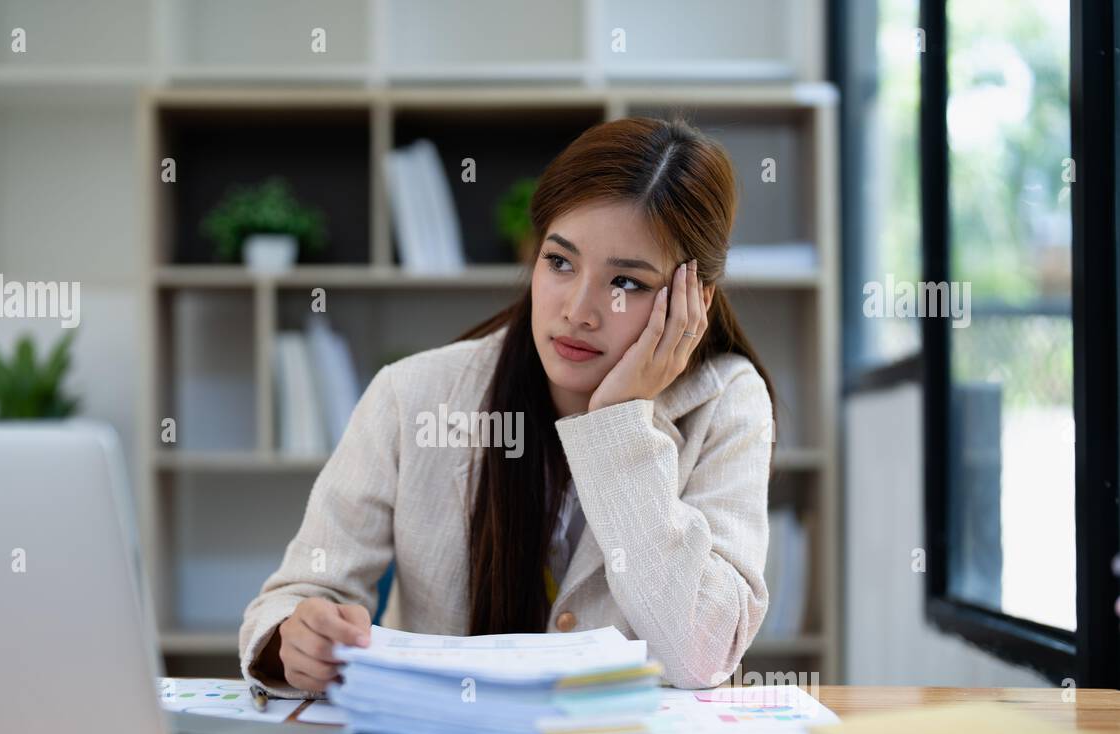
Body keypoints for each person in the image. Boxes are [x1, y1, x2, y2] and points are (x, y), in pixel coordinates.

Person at [238, 116, 777, 700]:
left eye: (626, 281)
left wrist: (620, 422)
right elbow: (298, 594)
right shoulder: (412, 395)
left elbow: (702, 654)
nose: (578, 309)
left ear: (693, 301)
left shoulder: (727, 402)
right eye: (560, 262)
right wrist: (297, 637)